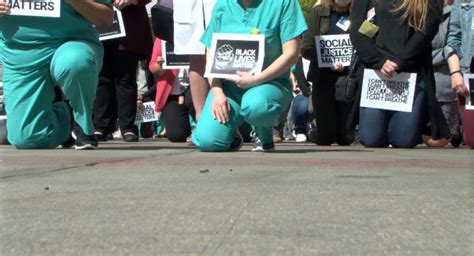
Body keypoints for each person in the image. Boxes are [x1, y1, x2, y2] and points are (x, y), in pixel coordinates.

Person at [192, 0, 308, 152]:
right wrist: (217, 92)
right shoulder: (223, 4)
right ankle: (231, 135)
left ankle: (263, 133)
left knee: (257, 106)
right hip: (229, 88)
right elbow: (210, 53)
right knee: (208, 142)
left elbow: (292, 54)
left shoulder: (284, 3)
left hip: (269, 83)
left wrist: (255, 80)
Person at [0, 0, 113, 149]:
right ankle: (67, 118)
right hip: (20, 56)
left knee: (75, 62)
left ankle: (83, 124)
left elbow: (105, 18)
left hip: (72, 43)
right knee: (26, 138)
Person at [349, 0, 451, 148]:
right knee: (371, 139)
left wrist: (399, 62)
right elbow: (357, 31)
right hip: (376, 74)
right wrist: (379, 61)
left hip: (410, 74)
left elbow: (426, 32)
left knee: (403, 141)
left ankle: (419, 127)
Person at [93, 0, 153, 143]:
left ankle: (127, 127)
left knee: (126, 79)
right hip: (101, 26)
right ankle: (101, 126)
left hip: (128, 31)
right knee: (102, 78)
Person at [301, 0, 355, 146]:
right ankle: (312, 130)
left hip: (349, 79)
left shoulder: (361, 12)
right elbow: (306, 47)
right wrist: (327, 60)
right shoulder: (317, 12)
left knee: (345, 138)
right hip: (322, 77)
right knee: (326, 138)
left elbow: (368, 41)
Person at [423, 2, 461, 147]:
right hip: (424, 87)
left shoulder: (461, 10)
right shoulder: (419, 9)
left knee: (443, 139)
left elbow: (460, 46)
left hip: (449, 87)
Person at [173, 0, 216, 122]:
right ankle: (201, 121)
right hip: (190, 6)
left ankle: (231, 122)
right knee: (196, 55)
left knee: (225, 51)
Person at [149, 38, 194, 142]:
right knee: (177, 135)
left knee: (192, 100)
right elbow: (152, 66)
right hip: (173, 92)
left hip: (193, 87)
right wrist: (160, 66)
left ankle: (200, 128)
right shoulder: (161, 39)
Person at [446, 0, 474, 149]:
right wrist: (455, 73)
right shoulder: (463, 1)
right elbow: (453, 39)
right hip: (469, 75)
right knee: (472, 140)